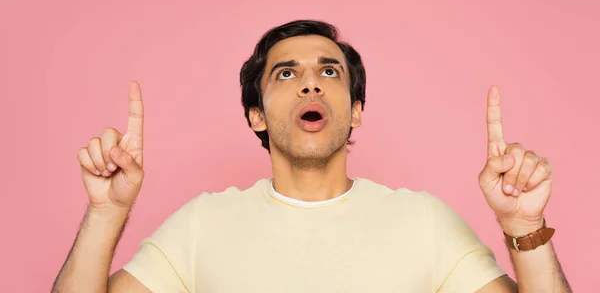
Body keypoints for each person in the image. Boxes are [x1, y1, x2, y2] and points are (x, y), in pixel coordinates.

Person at [52, 20, 571, 292]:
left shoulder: (424, 222)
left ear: (356, 111)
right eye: (286, 73)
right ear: (256, 115)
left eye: (329, 72)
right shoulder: (202, 225)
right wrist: (106, 212)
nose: (309, 85)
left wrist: (525, 226)